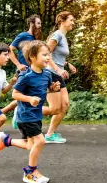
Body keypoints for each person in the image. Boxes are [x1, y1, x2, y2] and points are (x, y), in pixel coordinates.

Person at [0, 40, 60, 183]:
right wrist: (29, 99)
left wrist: (53, 88)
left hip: (36, 115)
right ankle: (30, 172)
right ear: (32, 57)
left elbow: (46, 89)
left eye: (49, 54)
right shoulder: (26, 76)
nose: (48, 57)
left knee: (30, 145)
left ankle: (6, 140)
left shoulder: (47, 74)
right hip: (25, 115)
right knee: (40, 141)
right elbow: (15, 94)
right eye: (44, 54)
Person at [44, 11, 77, 144]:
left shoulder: (63, 37)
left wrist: (66, 65)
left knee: (65, 105)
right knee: (55, 108)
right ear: (62, 21)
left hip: (58, 73)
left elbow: (57, 56)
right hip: (51, 73)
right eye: (71, 20)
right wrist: (58, 69)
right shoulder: (57, 35)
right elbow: (45, 54)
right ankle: (22, 111)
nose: (73, 23)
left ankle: (50, 135)